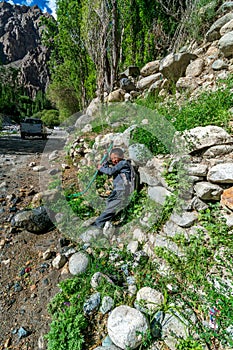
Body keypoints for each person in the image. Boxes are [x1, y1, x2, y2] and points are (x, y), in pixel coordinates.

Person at [92, 147, 132, 228]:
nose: (114, 160)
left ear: (122, 156)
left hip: (122, 190)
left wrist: (101, 168)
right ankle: (105, 221)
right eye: (112, 159)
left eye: (115, 158)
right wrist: (105, 164)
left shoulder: (123, 163)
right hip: (117, 190)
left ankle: (97, 225)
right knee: (109, 203)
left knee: (110, 208)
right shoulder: (118, 165)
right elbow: (110, 169)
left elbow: (110, 171)